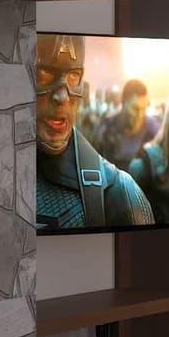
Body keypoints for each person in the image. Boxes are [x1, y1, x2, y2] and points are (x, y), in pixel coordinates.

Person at [32, 35, 154, 231]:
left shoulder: (120, 192)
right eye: (44, 72)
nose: (62, 96)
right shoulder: (106, 127)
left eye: (73, 76)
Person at [93, 79, 158, 171]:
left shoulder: (153, 130)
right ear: (123, 103)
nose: (140, 115)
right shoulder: (105, 130)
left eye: (144, 109)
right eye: (135, 109)